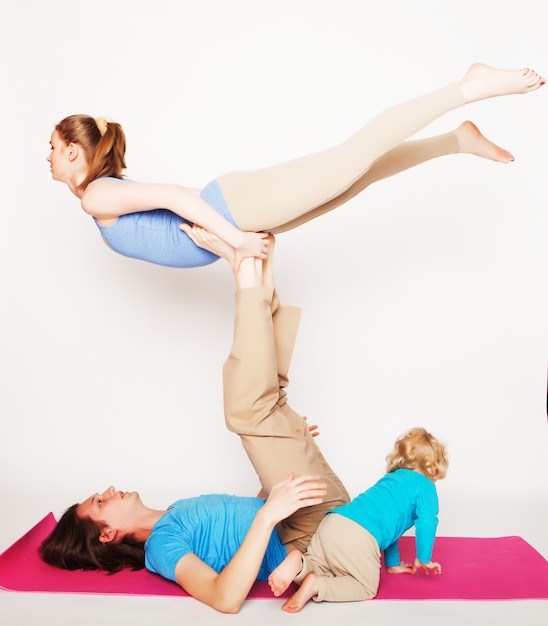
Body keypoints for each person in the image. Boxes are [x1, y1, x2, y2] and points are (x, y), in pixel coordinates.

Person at [39, 236, 350, 613]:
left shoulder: (176, 510)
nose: (109, 489)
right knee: (249, 413)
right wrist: (270, 513)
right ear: (108, 534)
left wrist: (285, 450)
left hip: (309, 514)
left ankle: (261, 265)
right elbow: (225, 597)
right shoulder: (161, 547)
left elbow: (245, 525)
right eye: (101, 501)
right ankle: (247, 273)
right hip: (310, 537)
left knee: (271, 405)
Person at [48, 64, 544, 271]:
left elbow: (178, 198)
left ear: (74, 150)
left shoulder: (96, 196)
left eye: (52, 146)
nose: (47, 157)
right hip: (237, 216)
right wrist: (232, 242)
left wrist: (238, 242)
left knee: (353, 155)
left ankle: (468, 87)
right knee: (357, 176)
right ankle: (456, 140)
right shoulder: (102, 193)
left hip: (235, 208)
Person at [267, 427, 449, 613]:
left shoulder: (390, 479)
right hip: (359, 535)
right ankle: (317, 586)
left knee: (321, 565)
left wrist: (392, 564)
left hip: (333, 521)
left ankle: (300, 564)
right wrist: (423, 557)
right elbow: (427, 522)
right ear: (434, 468)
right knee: (365, 587)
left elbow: (392, 529)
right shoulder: (426, 486)